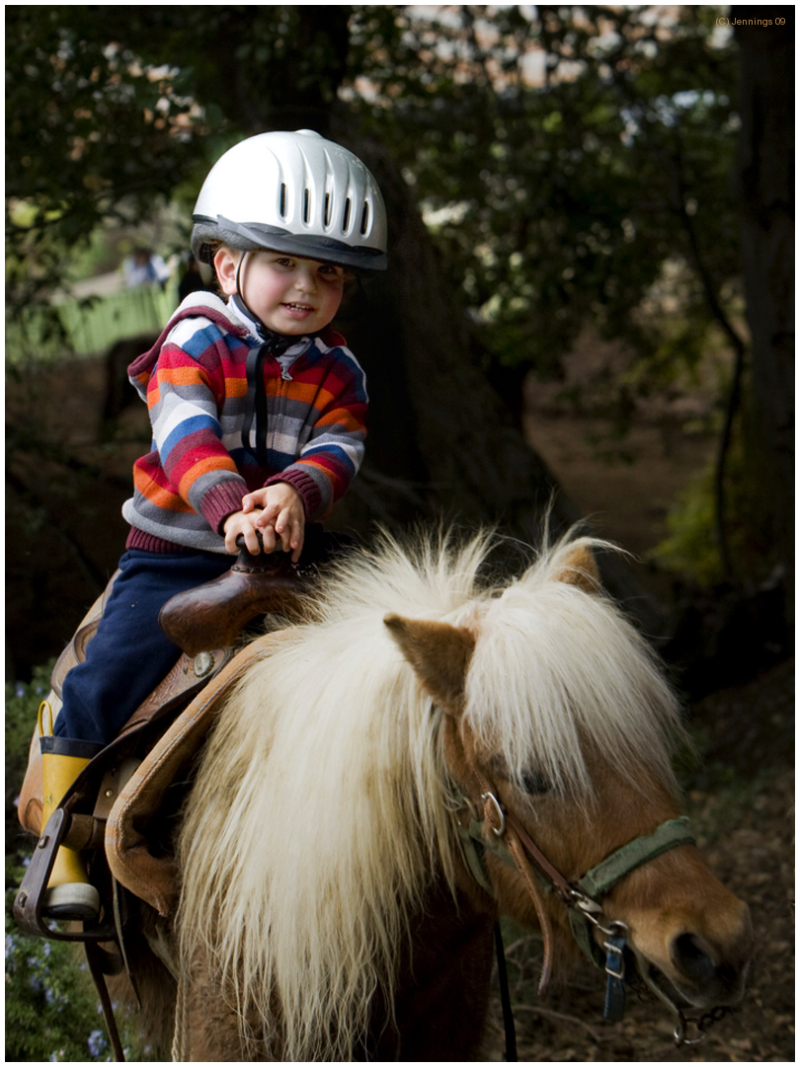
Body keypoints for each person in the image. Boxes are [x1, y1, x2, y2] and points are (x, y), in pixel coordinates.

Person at [36, 130, 388, 920]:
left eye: (328, 272)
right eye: (284, 263)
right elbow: (186, 438)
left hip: (290, 551)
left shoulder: (339, 367)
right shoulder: (192, 341)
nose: (307, 286)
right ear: (229, 266)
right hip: (177, 553)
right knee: (107, 678)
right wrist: (234, 510)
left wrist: (297, 491)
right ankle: (60, 845)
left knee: (385, 654)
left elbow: (342, 443)